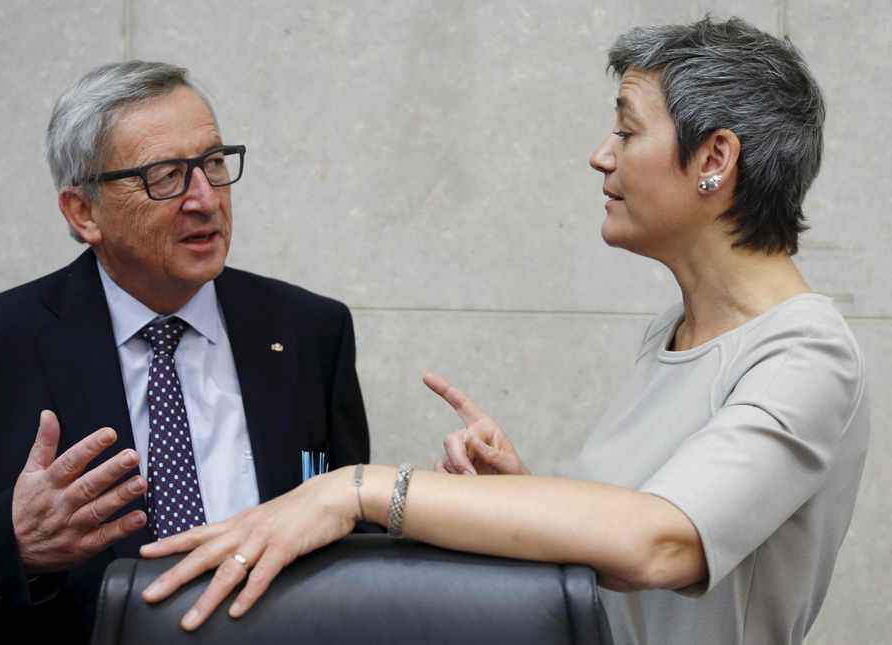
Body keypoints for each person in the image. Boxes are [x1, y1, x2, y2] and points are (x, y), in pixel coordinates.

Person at [138, 17, 869, 645]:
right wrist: (519, 491)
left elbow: (661, 542)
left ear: (715, 159)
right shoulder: (672, 331)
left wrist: (357, 490)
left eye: (627, 129)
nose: (601, 155)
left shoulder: (807, 353)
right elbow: (617, 549)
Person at [0, 61, 369, 643]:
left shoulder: (310, 330)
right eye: (166, 176)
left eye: (212, 163)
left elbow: (350, 533)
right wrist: (17, 547)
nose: (205, 199)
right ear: (84, 213)